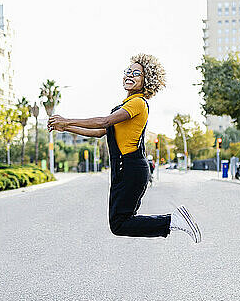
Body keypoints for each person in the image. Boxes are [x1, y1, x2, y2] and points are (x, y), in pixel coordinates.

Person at [48, 54, 201, 243]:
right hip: (123, 169)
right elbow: (101, 131)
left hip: (131, 168)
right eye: (128, 71)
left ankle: (173, 220)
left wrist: (67, 120)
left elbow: (104, 121)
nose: (130, 75)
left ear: (147, 81)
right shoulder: (126, 105)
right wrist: (64, 127)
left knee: (120, 223)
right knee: (118, 223)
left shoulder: (138, 103)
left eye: (137, 73)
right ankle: (173, 220)